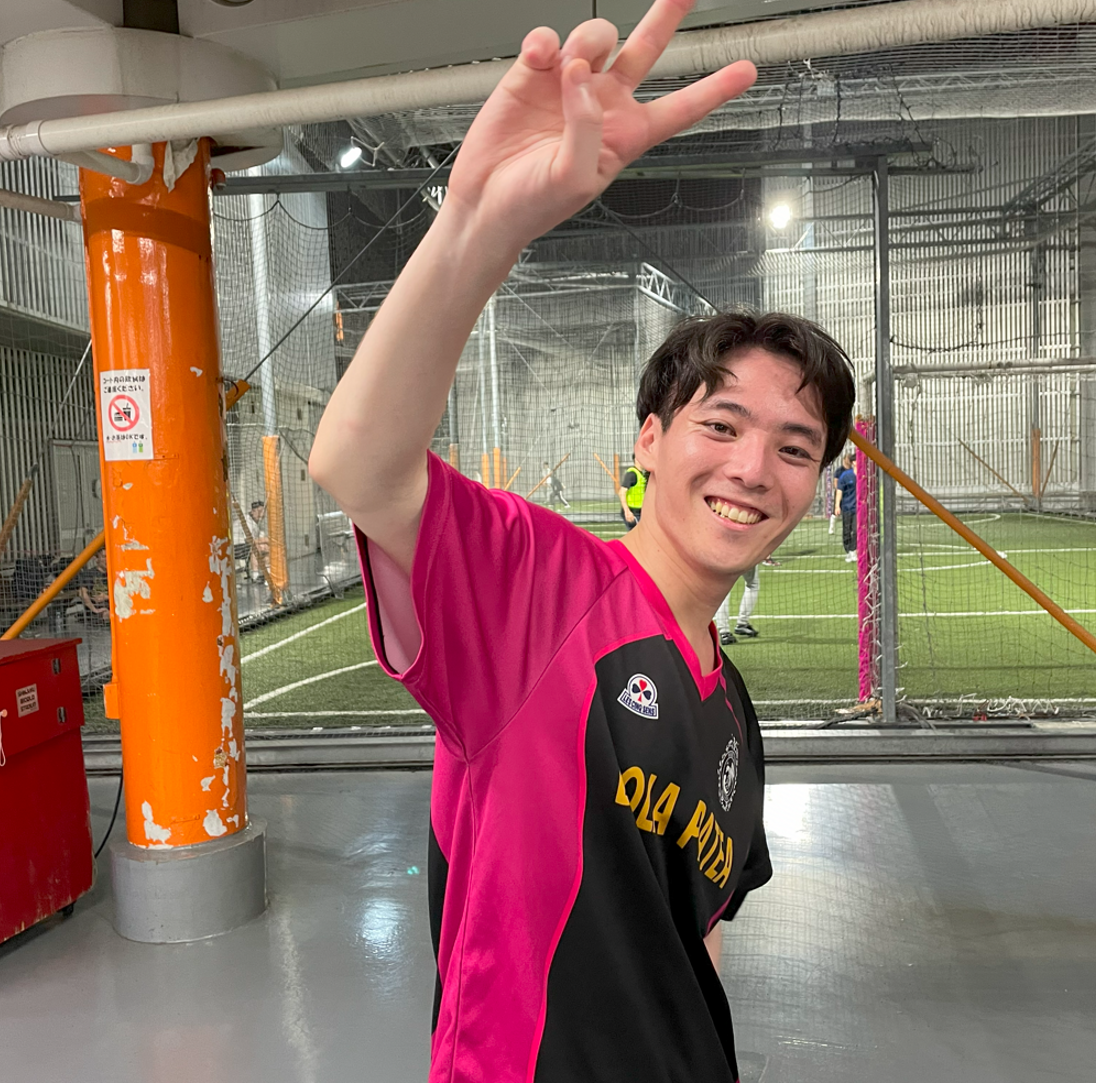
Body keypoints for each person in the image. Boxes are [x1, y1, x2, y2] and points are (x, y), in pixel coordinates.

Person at [307, 5, 854, 1078]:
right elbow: (360, 463)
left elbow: (697, 937)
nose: (754, 468)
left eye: (795, 447)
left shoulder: (731, 708)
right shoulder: (540, 591)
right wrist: (478, 223)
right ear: (649, 440)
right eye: (721, 426)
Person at [714, 566, 760, 645]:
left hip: (722, 560)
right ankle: (742, 622)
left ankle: (724, 632)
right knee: (752, 584)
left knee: (722, 589)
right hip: (745, 560)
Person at [232, 499, 268, 580]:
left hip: (245, 546)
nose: (262, 514)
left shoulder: (258, 523)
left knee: (267, 549)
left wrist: (266, 541)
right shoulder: (247, 521)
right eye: (259, 511)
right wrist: (267, 540)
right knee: (258, 547)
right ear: (253, 511)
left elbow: (260, 538)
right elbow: (249, 540)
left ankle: (268, 573)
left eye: (263, 512)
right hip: (236, 548)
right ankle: (255, 575)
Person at [831, 450, 857, 562]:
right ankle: (848, 551)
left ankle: (853, 550)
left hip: (858, 509)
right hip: (847, 507)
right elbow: (839, 491)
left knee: (856, 530)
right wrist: (837, 506)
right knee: (846, 531)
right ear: (853, 462)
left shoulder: (864, 475)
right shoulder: (845, 475)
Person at [77, 549, 111, 623]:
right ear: (96, 559)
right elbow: (82, 593)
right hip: (97, 612)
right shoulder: (89, 574)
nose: (107, 559)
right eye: (104, 557)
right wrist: (95, 610)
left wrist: (106, 597)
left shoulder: (115, 573)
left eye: (109, 556)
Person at [619, 458, 646, 528]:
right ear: (636, 459)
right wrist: (627, 511)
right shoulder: (632, 474)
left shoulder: (641, 474)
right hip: (632, 513)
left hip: (640, 512)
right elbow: (622, 492)